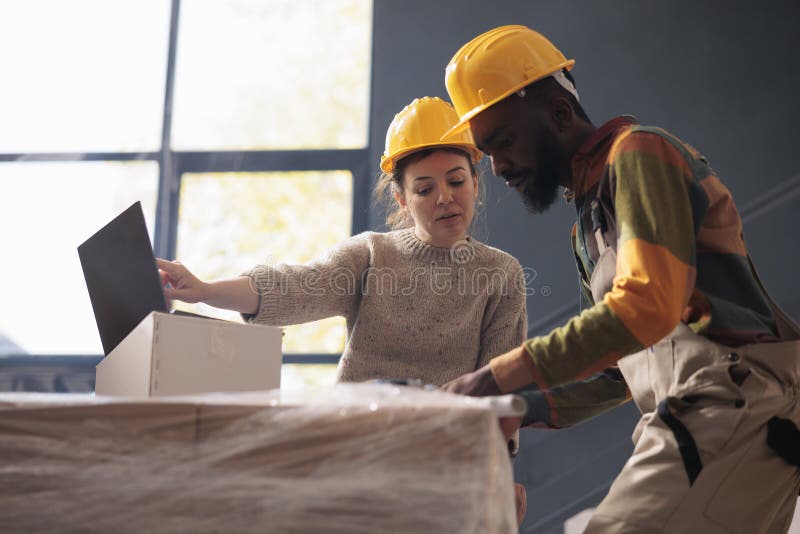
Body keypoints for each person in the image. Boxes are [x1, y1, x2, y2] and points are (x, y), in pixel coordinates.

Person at [441, 25, 800, 533]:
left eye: (504, 142)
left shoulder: (640, 154)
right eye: (488, 152)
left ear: (558, 112)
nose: (497, 168)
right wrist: (519, 406)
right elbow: (619, 374)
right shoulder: (587, 224)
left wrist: (496, 376)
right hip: (712, 413)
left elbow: (648, 305)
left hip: (731, 402)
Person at [157, 95, 527, 401]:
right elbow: (292, 287)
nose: (445, 197)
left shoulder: (501, 274)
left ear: (475, 183)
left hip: (447, 449)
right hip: (356, 436)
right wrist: (204, 290)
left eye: (456, 181)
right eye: (425, 189)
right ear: (402, 199)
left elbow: (502, 386)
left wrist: (495, 458)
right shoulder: (372, 256)